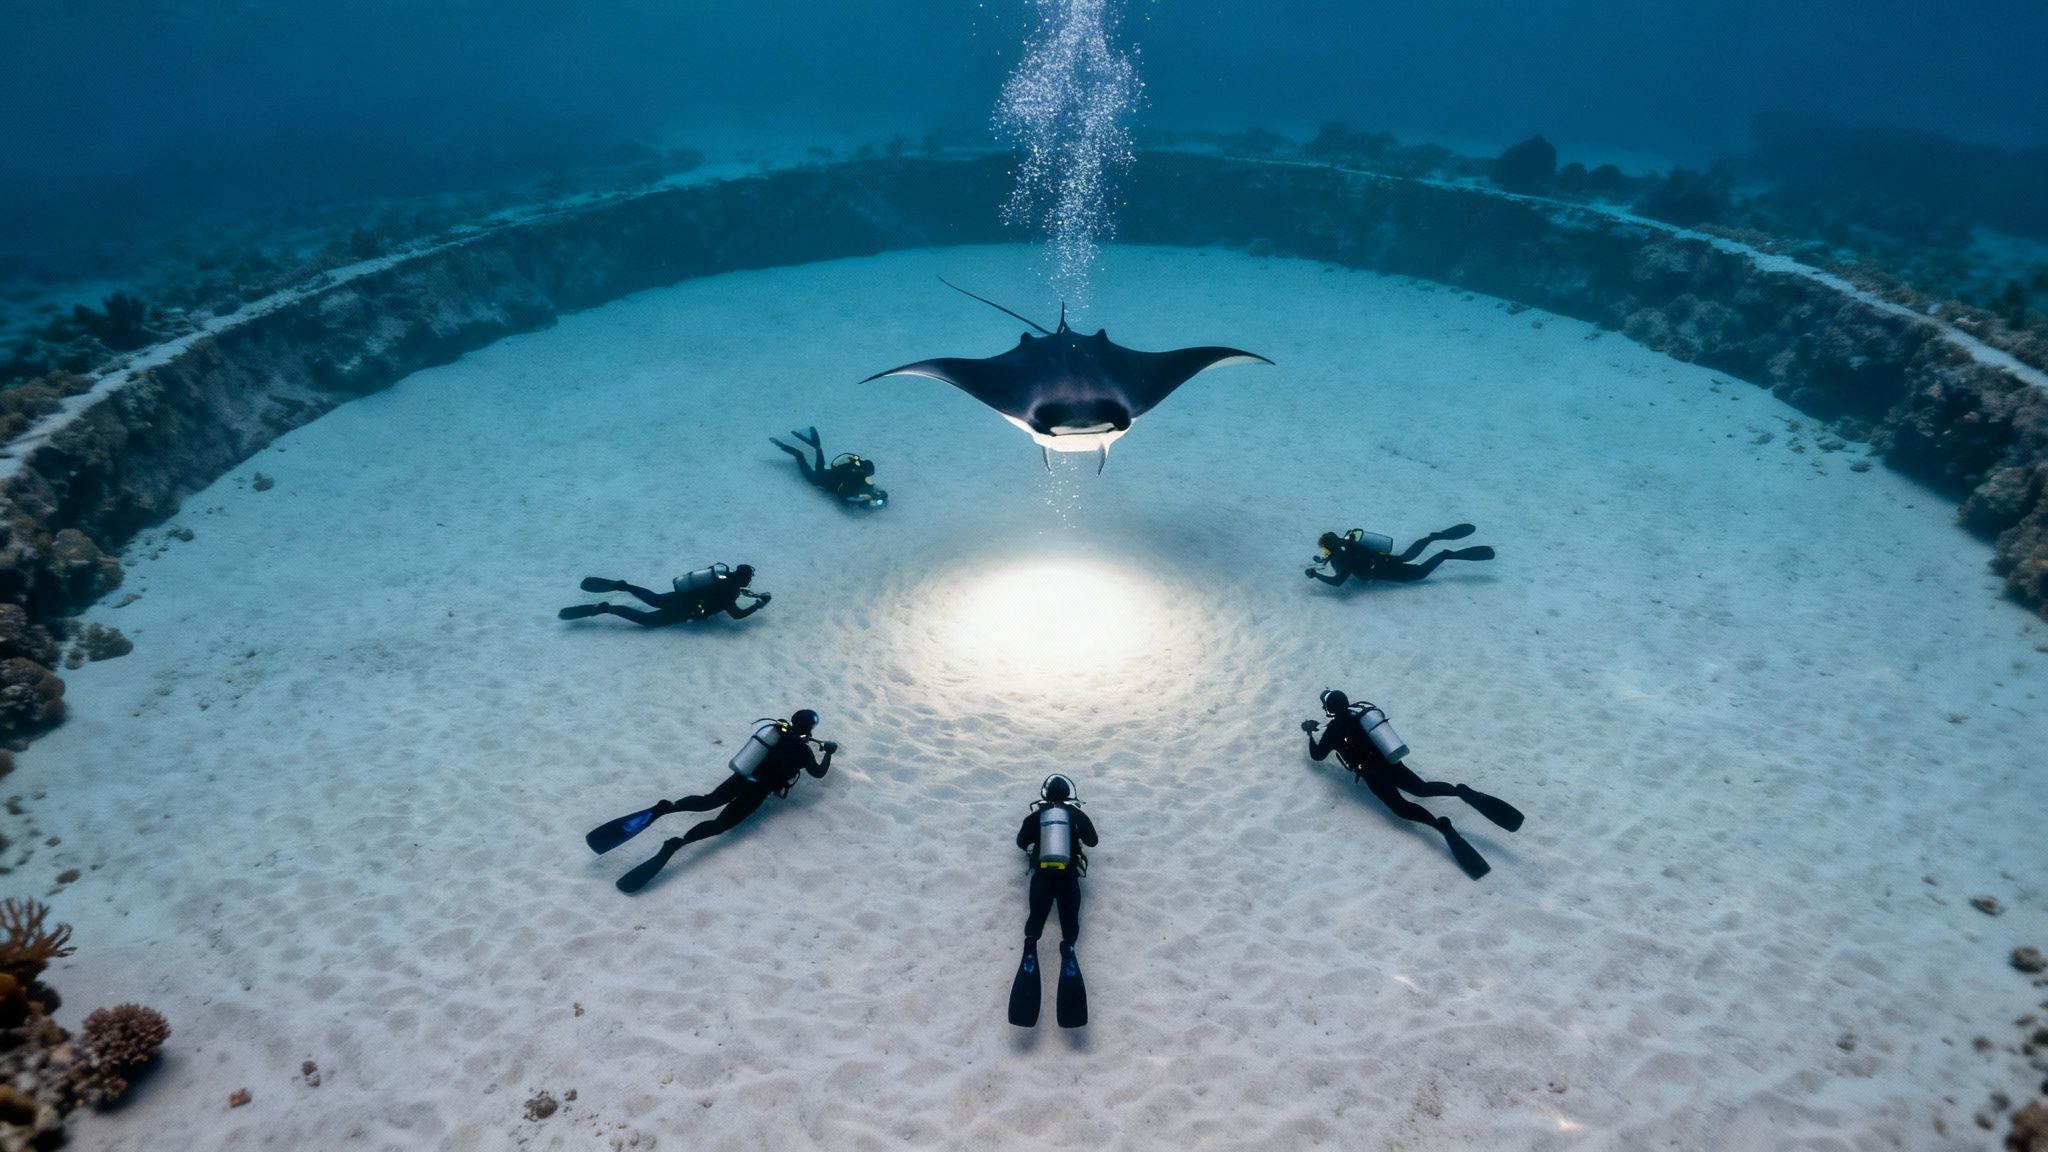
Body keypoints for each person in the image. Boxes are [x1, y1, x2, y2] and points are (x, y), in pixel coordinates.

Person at [587, 709, 838, 893]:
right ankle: (678, 843)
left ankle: (666, 808)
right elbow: (818, 773)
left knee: (708, 801)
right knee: (719, 825)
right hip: (757, 791)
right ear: (810, 729)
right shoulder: (804, 751)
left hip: (741, 778)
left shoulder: (774, 734)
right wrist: (828, 753)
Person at [1302, 689, 1523, 880]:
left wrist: (1310, 733)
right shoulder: (1362, 714)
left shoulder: (1332, 731)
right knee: (1423, 789)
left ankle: (1439, 825)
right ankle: (1459, 791)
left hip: (1374, 775)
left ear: (1329, 709)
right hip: (1393, 764)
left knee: (1402, 807)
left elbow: (1318, 756)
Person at [1008, 773, 1098, 1028]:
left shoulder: (1037, 817)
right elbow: (1093, 840)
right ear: (1068, 795)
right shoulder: (1074, 816)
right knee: (1069, 928)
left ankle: (1029, 950)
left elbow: (1020, 842)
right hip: (1067, 879)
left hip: (1042, 879)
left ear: (1045, 796)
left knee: (1035, 922)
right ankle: (1067, 950)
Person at [558, 563, 769, 626]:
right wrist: (758, 605)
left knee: (654, 599)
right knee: (648, 620)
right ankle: (608, 608)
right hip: (687, 609)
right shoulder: (731, 591)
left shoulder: (722, 577)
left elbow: (719, 591)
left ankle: (624, 586)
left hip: (682, 596)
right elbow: (736, 615)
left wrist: (749, 594)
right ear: (744, 579)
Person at [1306, 524, 1493, 586]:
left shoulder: (1340, 559)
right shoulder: (1348, 541)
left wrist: (1316, 575)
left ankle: (1445, 554)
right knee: (1405, 557)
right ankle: (1430, 538)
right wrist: (1323, 560)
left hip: (1381, 570)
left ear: (1328, 549)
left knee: (1420, 573)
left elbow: (1339, 581)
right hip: (1382, 559)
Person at [770, 426, 887, 509]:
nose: (868, 476)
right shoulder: (854, 478)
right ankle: (779, 443)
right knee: (799, 455)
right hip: (817, 479)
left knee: (817, 453)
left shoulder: (855, 466)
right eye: (868, 474)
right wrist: (865, 503)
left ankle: (812, 444)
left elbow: (842, 465)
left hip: (826, 472)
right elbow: (845, 498)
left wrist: (874, 493)